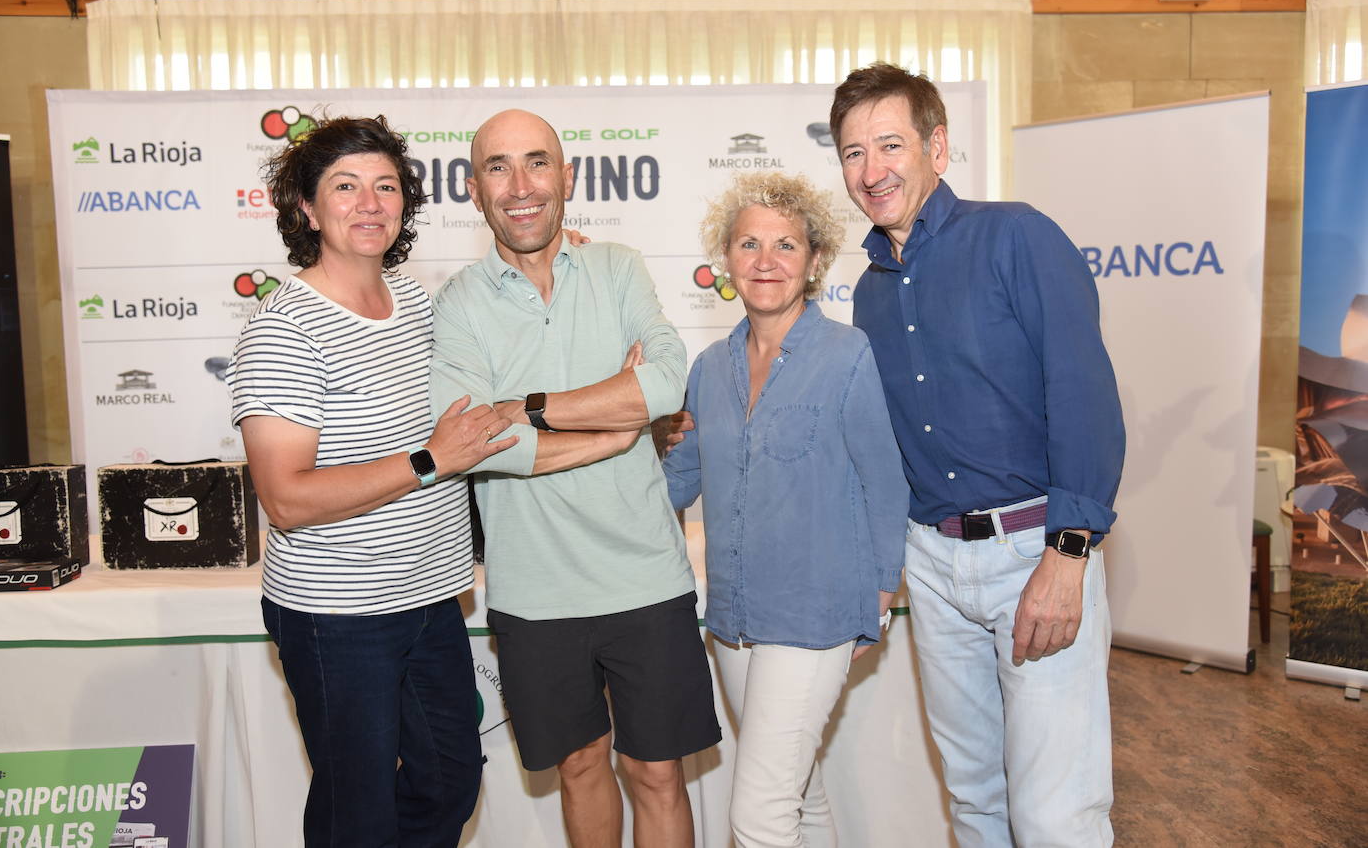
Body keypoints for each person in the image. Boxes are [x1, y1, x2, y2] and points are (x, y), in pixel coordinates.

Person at [831, 63, 1126, 846]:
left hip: (1036, 549)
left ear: (938, 146)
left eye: (889, 144)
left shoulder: (1017, 235)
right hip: (931, 564)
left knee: (1054, 813)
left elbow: (1085, 396)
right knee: (973, 801)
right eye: (853, 153)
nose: (872, 169)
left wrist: (1069, 553)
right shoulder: (869, 292)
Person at [428, 108, 721, 848]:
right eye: (498, 166)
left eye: (537, 163)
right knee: (582, 766)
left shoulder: (618, 267)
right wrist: (614, 431)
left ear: (569, 177)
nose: (520, 185)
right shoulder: (459, 302)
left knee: (657, 773)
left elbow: (663, 382)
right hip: (534, 591)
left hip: (647, 579)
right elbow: (473, 444)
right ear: (473, 187)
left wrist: (531, 408)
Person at [226, 115, 518, 847]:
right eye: (345, 187)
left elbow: (502, 341)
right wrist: (428, 460)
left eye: (385, 186)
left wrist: (566, 259)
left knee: (451, 781)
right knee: (355, 810)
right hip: (337, 615)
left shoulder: (417, 302)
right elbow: (286, 498)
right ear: (307, 208)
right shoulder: (283, 328)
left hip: (430, 599)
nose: (369, 203)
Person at [662, 172, 906, 847]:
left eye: (786, 245)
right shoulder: (708, 367)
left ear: (815, 261)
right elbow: (676, 481)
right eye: (749, 244)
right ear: (727, 260)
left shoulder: (847, 355)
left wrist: (879, 595)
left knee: (760, 816)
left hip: (818, 610)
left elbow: (885, 482)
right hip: (736, 616)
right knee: (800, 794)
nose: (766, 260)